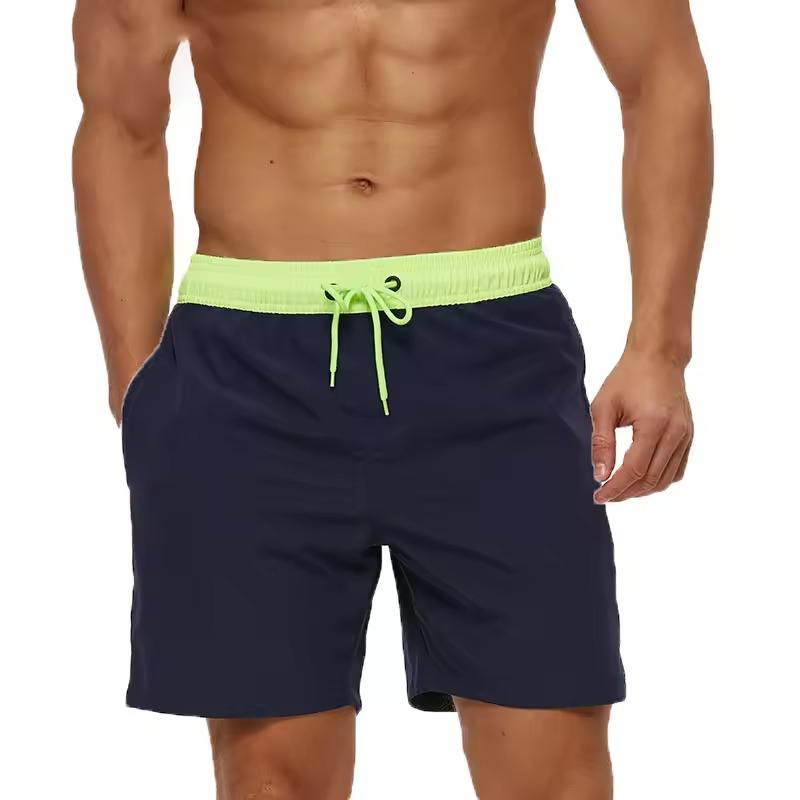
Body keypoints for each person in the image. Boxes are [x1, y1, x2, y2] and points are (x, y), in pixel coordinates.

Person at [72, 0, 712, 797]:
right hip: (247, 363)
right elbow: (120, 120)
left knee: (555, 774)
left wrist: (660, 347)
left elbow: (661, 78)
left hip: (493, 354)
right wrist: (136, 385)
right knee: (274, 781)